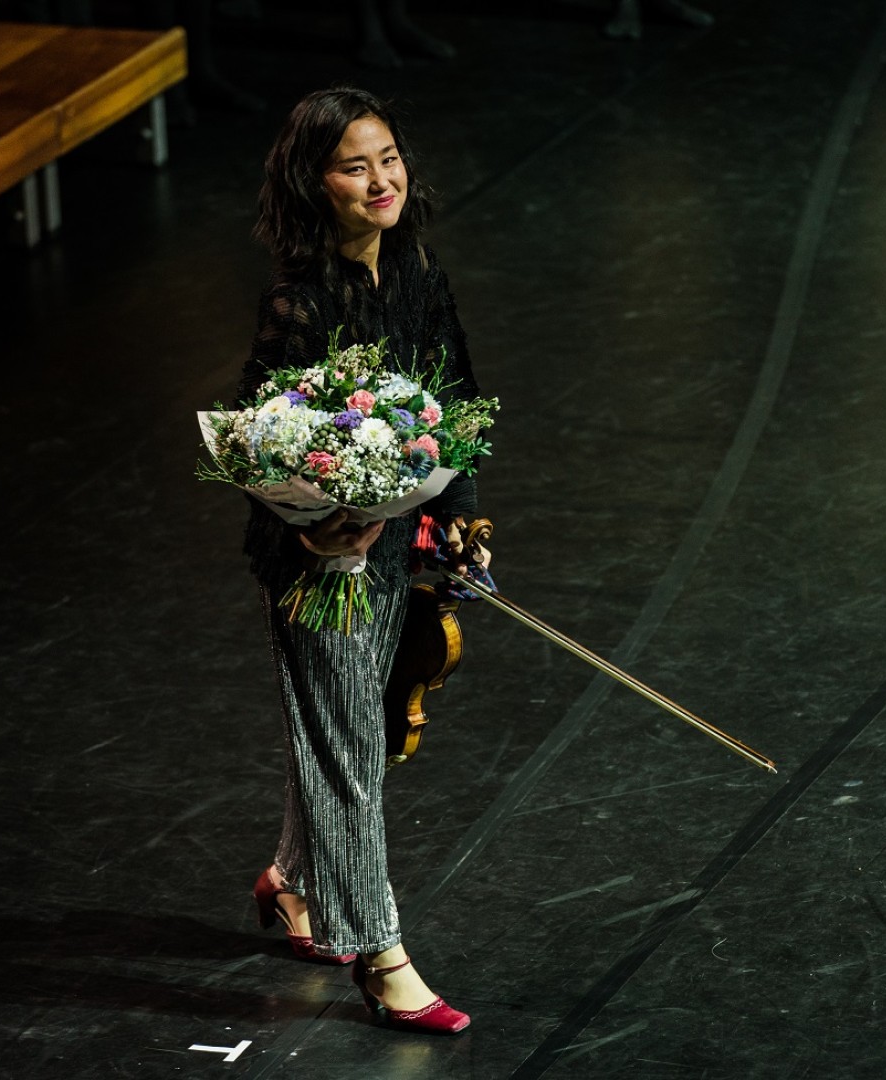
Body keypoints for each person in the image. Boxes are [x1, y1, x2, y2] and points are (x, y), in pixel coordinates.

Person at [238, 86, 484, 1036]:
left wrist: (458, 517)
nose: (381, 180)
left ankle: (291, 878)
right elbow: (262, 438)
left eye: (388, 158)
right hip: (318, 565)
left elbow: (453, 394)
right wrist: (318, 530)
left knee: (355, 736)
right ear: (315, 183)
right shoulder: (298, 300)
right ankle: (382, 958)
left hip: (395, 547)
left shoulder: (414, 267)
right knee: (346, 753)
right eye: (354, 166)